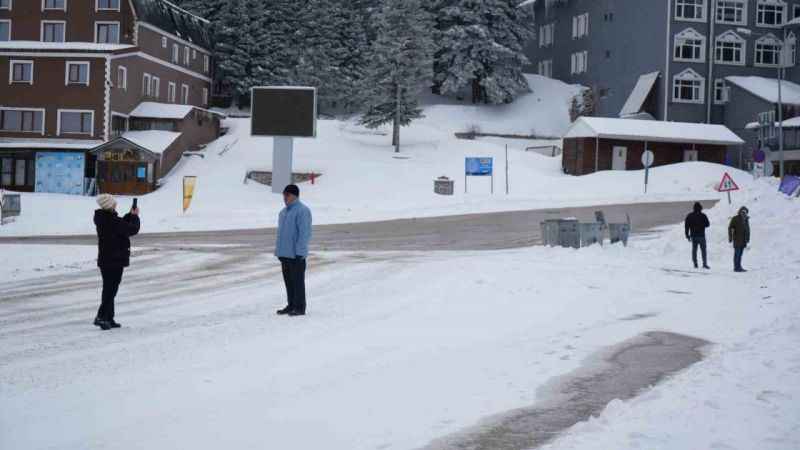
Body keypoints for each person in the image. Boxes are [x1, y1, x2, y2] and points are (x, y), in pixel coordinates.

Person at [94, 194, 140, 330]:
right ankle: (101, 317)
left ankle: (108, 317)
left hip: (107, 259)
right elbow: (130, 229)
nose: (116, 205)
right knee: (111, 289)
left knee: (109, 289)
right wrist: (135, 217)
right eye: (114, 203)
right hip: (114, 259)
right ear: (109, 206)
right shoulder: (110, 221)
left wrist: (130, 215)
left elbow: (121, 224)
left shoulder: (104, 218)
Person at [275, 184, 312, 316]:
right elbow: (281, 234)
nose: (284, 198)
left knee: (297, 282)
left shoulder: (302, 211)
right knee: (289, 282)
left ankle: (299, 307)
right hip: (285, 254)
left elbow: (304, 234)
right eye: (284, 195)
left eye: (287, 195)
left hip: (296, 255)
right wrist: (278, 252)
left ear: (295, 196)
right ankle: (291, 305)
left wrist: (300, 252)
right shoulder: (283, 212)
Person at [684, 202, 710, 269]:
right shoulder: (703, 215)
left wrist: (687, 235)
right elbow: (708, 224)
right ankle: (704, 264)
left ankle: (695, 264)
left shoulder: (689, 216)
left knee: (694, 250)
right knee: (703, 250)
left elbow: (686, 226)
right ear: (701, 208)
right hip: (701, 235)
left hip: (693, 236)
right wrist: (701, 225)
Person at [728, 206, 750, 273]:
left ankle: (739, 266)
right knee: (737, 254)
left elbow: (748, 229)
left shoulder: (746, 219)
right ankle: (736, 267)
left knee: (740, 254)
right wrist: (730, 237)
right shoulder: (735, 218)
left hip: (743, 240)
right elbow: (730, 228)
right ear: (740, 211)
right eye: (742, 211)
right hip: (737, 239)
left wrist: (748, 238)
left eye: (745, 212)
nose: (744, 213)